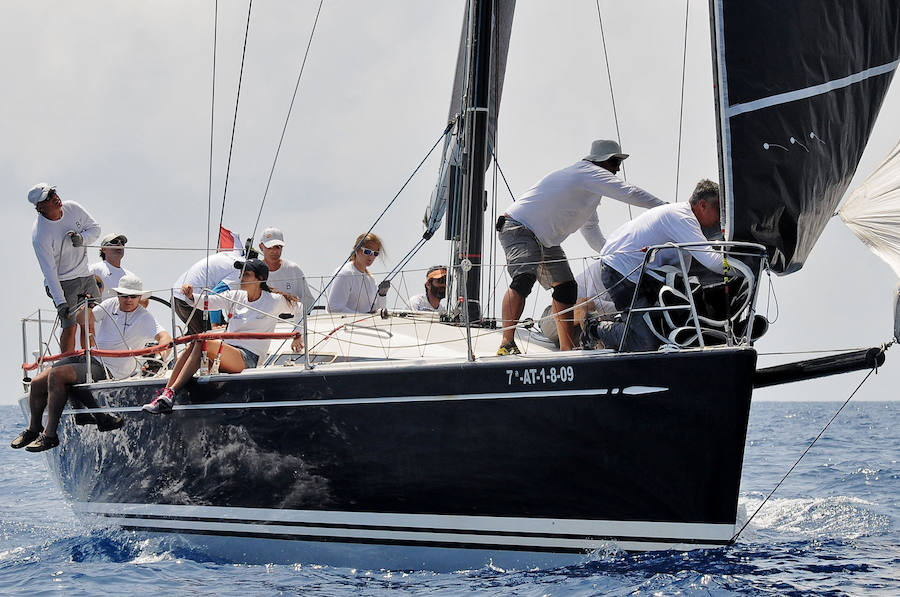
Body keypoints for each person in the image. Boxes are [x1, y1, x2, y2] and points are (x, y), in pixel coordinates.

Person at [496, 140, 665, 355]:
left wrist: (611, 255)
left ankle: (567, 348)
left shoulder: (588, 191)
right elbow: (628, 192)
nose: (617, 168)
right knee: (524, 279)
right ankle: (506, 343)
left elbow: (590, 228)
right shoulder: (587, 173)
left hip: (545, 240)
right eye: (615, 162)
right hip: (519, 227)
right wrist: (667, 208)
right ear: (602, 162)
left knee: (567, 287)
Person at [10, 274, 172, 452]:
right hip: (92, 358)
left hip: (111, 369)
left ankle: (50, 436)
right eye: (124, 295)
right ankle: (33, 429)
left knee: (57, 375)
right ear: (118, 295)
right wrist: (86, 306)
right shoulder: (110, 304)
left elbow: (165, 337)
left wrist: (160, 357)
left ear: (140, 297)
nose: (128, 300)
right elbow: (81, 320)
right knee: (37, 381)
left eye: (133, 296)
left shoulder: (144, 317)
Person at [142, 258, 303, 414]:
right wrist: (191, 297)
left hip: (249, 358)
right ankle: (165, 395)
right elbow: (208, 302)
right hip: (227, 352)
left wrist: (298, 335)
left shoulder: (274, 301)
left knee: (202, 340)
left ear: (259, 279)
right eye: (241, 273)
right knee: (193, 345)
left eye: (246, 274)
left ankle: (170, 394)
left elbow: (299, 309)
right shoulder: (236, 296)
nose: (241, 277)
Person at [592, 179, 728, 352]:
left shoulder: (688, 225)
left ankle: (626, 325)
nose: (721, 218)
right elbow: (713, 261)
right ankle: (594, 329)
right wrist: (743, 266)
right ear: (702, 205)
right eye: (719, 210)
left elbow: (681, 274)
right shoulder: (683, 218)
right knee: (645, 343)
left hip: (638, 276)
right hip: (621, 271)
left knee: (659, 329)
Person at [28, 183, 102, 353]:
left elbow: (95, 229)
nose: (55, 197)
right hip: (63, 282)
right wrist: (61, 303)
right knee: (70, 326)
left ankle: (91, 361)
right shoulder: (40, 235)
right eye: (48, 197)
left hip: (85, 275)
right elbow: (49, 272)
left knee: (89, 320)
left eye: (53, 192)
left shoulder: (73, 208)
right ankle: (66, 362)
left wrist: (82, 238)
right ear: (40, 207)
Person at [170, 243, 257, 335]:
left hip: (178, 294)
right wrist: (215, 325)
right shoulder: (241, 270)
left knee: (199, 338)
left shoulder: (232, 255)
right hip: (192, 298)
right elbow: (216, 294)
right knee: (211, 338)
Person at [326, 233, 390, 313]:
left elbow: (377, 310)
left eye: (375, 253)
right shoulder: (345, 274)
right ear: (357, 250)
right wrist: (363, 316)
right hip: (344, 324)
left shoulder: (370, 279)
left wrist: (382, 295)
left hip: (364, 324)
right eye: (367, 251)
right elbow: (334, 308)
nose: (371, 256)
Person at [258, 227, 316, 313]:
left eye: (278, 247)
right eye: (269, 247)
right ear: (261, 247)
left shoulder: (293, 269)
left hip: (291, 322)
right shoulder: (253, 272)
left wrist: (292, 309)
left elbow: (308, 301)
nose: (274, 251)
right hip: (262, 323)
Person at [89, 232, 135, 300]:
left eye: (122, 242)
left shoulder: (130, 276)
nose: (119, 244)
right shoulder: (94, 269)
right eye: (114, 241)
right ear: (104, 249)